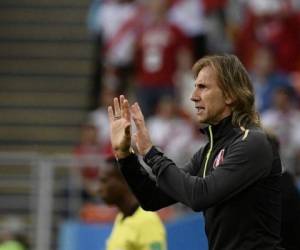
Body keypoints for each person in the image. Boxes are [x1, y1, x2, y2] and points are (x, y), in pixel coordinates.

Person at [107, 54, 284, 250]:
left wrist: (150, 152)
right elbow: (153, 198)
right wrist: (125, 155)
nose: (193, 96)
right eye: (195, 86)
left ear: (230, 95)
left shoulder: (252, 143)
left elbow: (199, 196)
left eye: (203, 87)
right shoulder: (208, 151)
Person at [98, 156, 167, 250]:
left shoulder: (147, 221)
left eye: (104, 181)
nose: (99, 189)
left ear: (124, 180)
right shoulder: (121, 217)